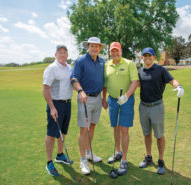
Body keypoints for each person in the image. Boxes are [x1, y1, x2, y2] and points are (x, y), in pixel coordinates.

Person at [137, 47, 184, 175]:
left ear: (154, 57)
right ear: (142, 58)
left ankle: (161, 160)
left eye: (149, 55)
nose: (147, 57)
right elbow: (134, 84)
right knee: (146, 133)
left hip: (156, 106)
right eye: (145, 55)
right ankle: (148, 157)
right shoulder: (140, 71)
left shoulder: (161, 70)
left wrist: (178, 86)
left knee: (159, 135)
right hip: (143, 106)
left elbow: (172, 80)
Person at [102, 42, 139, 175]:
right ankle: (118, 152)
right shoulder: (107, 65)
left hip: (126, 101)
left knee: (124, 129)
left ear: (121, 51)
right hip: (112, 100)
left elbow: (135, 82)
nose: (115, 53)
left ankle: (124, 159)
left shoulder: (129, 64)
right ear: (110, 53)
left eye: (117, 51)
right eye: (112, 51)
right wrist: (103, 98)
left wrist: (126, 96)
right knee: (115, 127)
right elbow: (105, 84)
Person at [70, 37, 106, 175]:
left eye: (97, 46)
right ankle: (83, 160)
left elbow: (103, 81)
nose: (95, 48)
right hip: (85, 99)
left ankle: (89, 152)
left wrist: (103, 98)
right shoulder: (80, 61)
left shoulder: (102, 61)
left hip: (97, 99)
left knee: (92, 127)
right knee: (84, 130)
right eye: (92, 46)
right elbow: (73, 78)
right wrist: (80, 91)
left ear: (100, 48)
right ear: (88, 47)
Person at [42, 45, 73, 176]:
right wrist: (52, 108)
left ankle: (60, 155)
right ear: (55, 54)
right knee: (51, 134)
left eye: (64, 52)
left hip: (67, 104)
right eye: (60, 52)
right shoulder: (52, 68)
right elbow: (45, 88)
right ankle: (49, 162)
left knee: (62, 132)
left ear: (67, 55)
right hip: (56, 104)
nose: (62, 55)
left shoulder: (69, 68)